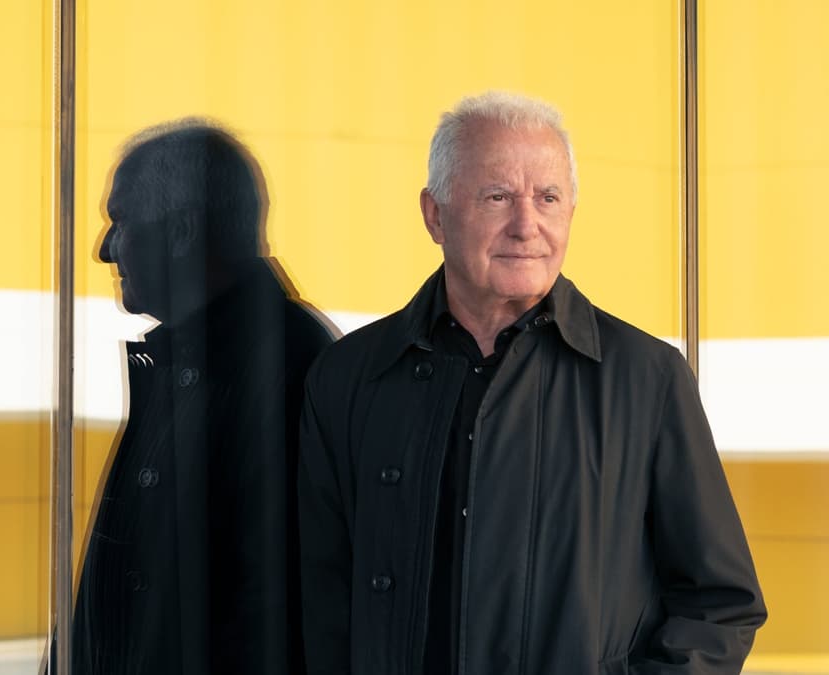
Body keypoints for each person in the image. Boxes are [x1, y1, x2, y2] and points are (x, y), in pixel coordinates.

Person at [298, 91, 766, 675]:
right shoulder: (348, 377)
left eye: (548, 198)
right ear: (435, 215)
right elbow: (320, 603)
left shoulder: (646, 379)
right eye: (497, 197)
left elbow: (720, 605)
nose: (527, 226)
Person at [71, 120, 335, 674]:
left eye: (121, 221)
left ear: (182, 231)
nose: (104, 249)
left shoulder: (283, 369)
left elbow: (267, 614)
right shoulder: (199, 359)